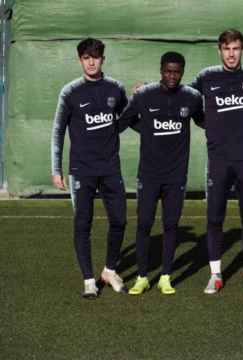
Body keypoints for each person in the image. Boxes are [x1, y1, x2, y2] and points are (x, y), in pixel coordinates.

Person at [191, 29, 243, 294]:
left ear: (242, 49)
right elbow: (184, 98)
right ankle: (215, 275)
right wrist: (208, 123)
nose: (231, 54)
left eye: (235, 48)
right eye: (226, 49)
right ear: (219, 50)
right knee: (215, 218)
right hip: (218, 160)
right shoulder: (206, 77)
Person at [119, 51, 204, 295]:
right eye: (168, 71)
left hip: (176, 176)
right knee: (144, 224)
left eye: (176, 72)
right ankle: (142, 277)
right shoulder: (145, 95)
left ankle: (165, 276)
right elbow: (124, 121)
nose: (172, 76)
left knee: (170, 225)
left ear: (182, 72)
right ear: (161, 70)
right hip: (149, 174)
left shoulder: (191, 98)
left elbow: (204, 121)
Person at [51, 38, 128, 299]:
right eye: (86, 57)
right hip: (81, 170)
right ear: (80, 60)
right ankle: (88, 280)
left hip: (110, 168)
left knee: (119, 220)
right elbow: (58, 131)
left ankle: (109, 270)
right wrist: (56, 169)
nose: (91, 61)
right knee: (83, 223)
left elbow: (126, 118)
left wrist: (143, 97)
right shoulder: (70, 92)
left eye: (95, 57)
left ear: (102, 59)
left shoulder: (115, 88)